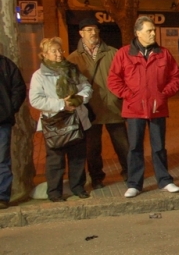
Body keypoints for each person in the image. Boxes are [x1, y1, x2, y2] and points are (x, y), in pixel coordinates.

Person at [107, 16, 179, 197]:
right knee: (134, 147)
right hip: (134, 109)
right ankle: (134, 184)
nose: (153, 33)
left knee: (159, 146)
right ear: (138, 33)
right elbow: (113, 79)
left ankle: (164, 180)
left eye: (153, 30)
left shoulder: (163, 53)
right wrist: (129, 96)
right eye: (149, 30)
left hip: (157, 108)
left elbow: (176, 77)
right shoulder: (124, 53)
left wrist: (163, 94)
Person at [67, 18, 129, 190]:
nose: (93, 33)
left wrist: (120, 96)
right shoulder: (73, 58)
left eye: (95, 29)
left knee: (123, 145)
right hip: (89, 110)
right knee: (92, 148)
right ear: (81, 33)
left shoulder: (113, 53)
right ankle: (96, 178)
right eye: (88, 30)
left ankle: (129, 173)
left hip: (113, 107)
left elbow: (125, 78)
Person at [29, 37, 92, 202]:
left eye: (60, 50)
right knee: (55, 160)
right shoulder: (39, 75)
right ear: (44, 54)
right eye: (54, 51)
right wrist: (62, 104)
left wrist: (79, 99)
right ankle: (55, 192)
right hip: (54, 122)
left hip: (76, 119)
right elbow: (35, 99)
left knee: (78, 157)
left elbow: (86, 87)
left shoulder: (72, 69)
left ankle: (78, 187)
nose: (59, 54)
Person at [0, 53, 26, 209]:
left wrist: (10, 109)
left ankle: (2, 196)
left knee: (1, 160)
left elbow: (19, 88)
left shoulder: (6, 64)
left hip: (2, 120)